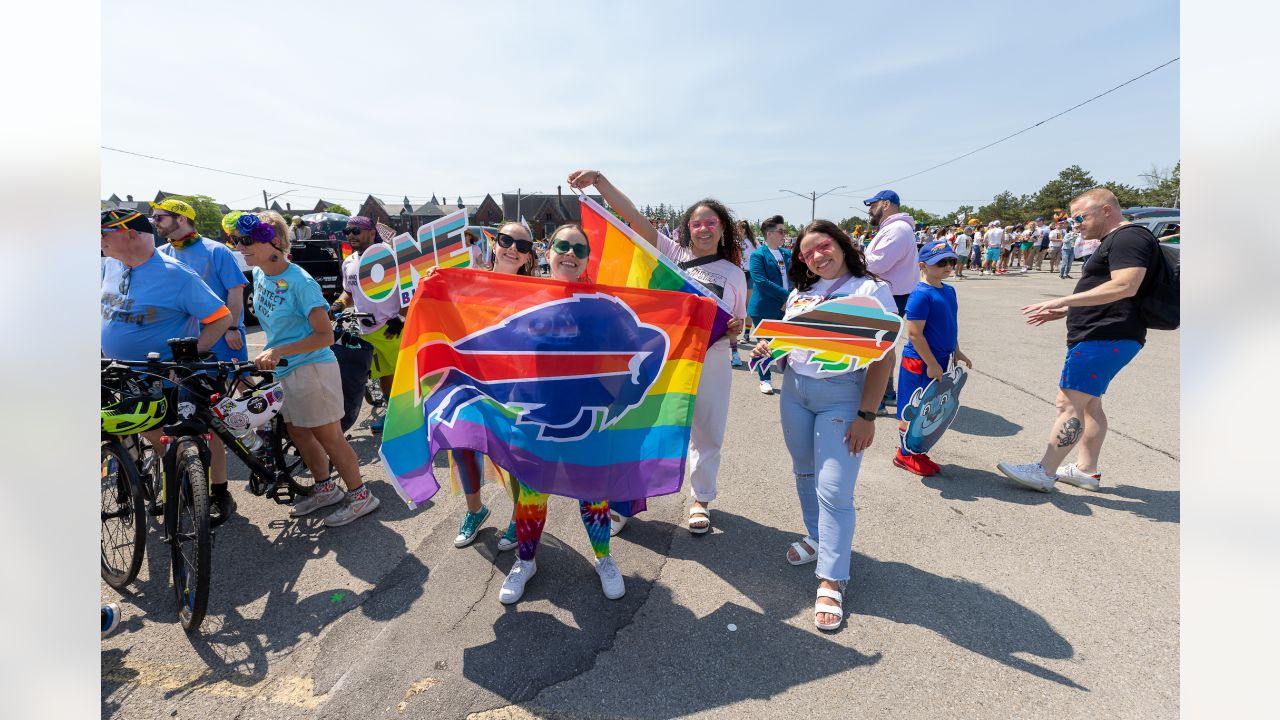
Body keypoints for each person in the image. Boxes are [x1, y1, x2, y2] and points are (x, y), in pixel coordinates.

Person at [567, 169, 748, 535]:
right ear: (687, 229)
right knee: (640, 422)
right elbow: (632, 217)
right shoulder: (669, 253)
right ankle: (623, 502)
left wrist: (736, 329)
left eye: (711, 222)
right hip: (664, 355)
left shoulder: (735, 273)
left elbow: (739, 324)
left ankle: (701, 499)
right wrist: (600, 182)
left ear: (722, 229)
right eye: (697, 223)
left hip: (710, 358)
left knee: (707, 430)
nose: (704, 228)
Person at [750, 220, 896, 632]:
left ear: (842, 245)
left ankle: (833, 577)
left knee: (834, 487)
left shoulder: (869, 290)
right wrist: (769, 348)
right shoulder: (800, 293)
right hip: (795, 392)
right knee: (804, 471)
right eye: (808, 251)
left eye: (824, 245)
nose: (818, 255)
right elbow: (787, 345)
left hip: (843, 395)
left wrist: (867, 415)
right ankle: (816, 538)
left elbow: (884, 356)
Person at [997, 188, 1158, 492]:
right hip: (1106, 334)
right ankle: (1086, 471)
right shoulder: (1117, 239)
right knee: (1089, 406)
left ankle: (1045, 471)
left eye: (1080, 218)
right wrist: (1068, 309)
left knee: (1068, 403)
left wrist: (1062, 301)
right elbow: (1109, 290)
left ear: (1106, 210)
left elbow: (1126, 285)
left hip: (1105, 335)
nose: (1076, 225)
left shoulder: (1127, 237)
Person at [497, 223, 625, 604]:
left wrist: (718, 321)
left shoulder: (604, 302)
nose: (569, 253)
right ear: (548, 251)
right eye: (562, 245)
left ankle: (604, 559)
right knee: (533, 493)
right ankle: (525, 561)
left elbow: (645, 337)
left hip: (588, 415)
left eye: (578, 249)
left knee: (594, 493)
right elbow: (471, 311)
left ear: (588, 259)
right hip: (535, 411)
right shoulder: (522, 295)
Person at [235, 211, 380, 526]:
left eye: (247, 240)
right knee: (299, 432)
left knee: (330, 437)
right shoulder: (260, 274)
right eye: (238, 240)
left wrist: (278, 350)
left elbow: (325, 335)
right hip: (286, 369)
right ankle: (325, 489)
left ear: (274, 242)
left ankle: (361, 496)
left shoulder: (301, 282)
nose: (240, 246)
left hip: (312, 368)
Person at [100, 208, 235, 517]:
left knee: (194, 430)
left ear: (131, 234)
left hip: (165, 373)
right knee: (129, 428)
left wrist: (187, 358)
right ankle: (147, 476)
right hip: (118, 372)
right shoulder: (109, 266)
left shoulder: (176, 275)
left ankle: (216, 490)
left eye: (105, 234)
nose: (99, 240)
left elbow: (220, 318)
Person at [152, 199, 249, 516]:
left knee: (222, 408)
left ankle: (227, 483)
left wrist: (233, 326)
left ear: (180, 218)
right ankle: (184, 485)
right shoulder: (163, 254)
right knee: (184, 419)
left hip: (221, 338)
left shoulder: (216, 251)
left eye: (160, 217)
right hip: (182, 349)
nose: (154, 221)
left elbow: (235, 293)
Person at [450, 222, 539, 552]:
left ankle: (520, 515)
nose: (512, 248)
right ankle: (475, 511)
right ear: (494, 243)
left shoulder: (536, 294)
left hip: (514, 386)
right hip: (470, 380)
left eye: (522, 245)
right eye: (506, 240)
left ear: (529, 257)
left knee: (514, 452)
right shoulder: (466, 281)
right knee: (463, 446)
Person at [892, 241, 973, 476]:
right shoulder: (920, 294)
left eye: (951, 262)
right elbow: (915, 334)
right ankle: (904, 454)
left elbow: (951, 325)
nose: (947, 267)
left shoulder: (948, 290)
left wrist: (956, 350)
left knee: (930, 408)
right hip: (920, 361)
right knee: (912, 406)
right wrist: (931, 363)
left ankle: (916, 450)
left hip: (939, 359)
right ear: (923, 266)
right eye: (940, 263)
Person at [329, 216, 406, 433]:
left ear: (372, 232)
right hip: (365, 330)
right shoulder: (349, 262)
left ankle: (408, 418)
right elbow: (348, 292)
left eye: (356, 231)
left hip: (393, 330)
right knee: (383, 376)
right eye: (347, 232)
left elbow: (411, 289)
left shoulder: (392, 257)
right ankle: (392, 414)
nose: (351, 235)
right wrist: (338, 305)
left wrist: (401, 318)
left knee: (401, 377)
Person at [863, 190, 917, 413]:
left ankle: (880, 399)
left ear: (885, 204)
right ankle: (887, 393)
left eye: (872, 205)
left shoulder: (897, 230)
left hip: (890, 297)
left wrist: (856, 256)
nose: (869, 210)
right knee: (885, 346)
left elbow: (876, 264)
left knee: (879, 347)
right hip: (891, 295)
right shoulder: (895, 228)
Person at [747, 215, 792, 394]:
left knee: (786, 344)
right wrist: (787, 297)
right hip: (764, 307)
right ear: (769, 234)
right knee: (765, 344)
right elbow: (761, 281)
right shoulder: (758, 255)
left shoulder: (787, 253)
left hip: (787, 306)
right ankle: (764, 379)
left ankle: (790, 379)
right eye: (781, 231)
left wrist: (791, 298)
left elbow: (795, 277)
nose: (784, 234)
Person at [735, 219, 758, 346]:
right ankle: (736, 333)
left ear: (745, 229)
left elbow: (760, 255)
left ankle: (747, 333)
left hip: (749, 275)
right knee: (737, 305)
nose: (740, 230)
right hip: (738, 275)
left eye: (742, 228)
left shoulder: (753, 243)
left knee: (747, 305)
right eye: (738, 228)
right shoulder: (734, 242)